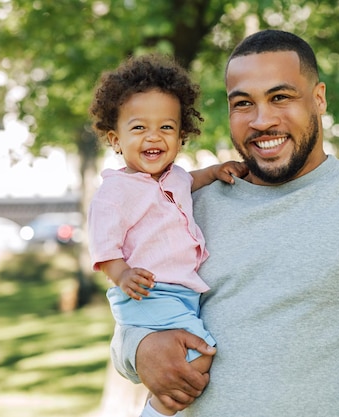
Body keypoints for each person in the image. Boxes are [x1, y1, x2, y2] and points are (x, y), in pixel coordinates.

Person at [111, 30, 339, 416]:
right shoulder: (188, 207)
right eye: (243, 103)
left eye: (280, 97)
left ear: (319, 98)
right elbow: (133, 319)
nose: (262, 120)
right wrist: (138, 349)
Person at [87, 54, 247, 417]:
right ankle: (157, 409)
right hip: (148, 291)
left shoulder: (176, 176)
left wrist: (219, 169)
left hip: (180, 293)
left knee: (189, 351)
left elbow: (195, 179)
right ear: (116, 139)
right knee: (200, 351)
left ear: (181, 135)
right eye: (139, 128)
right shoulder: (116, 192)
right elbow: (103, 246)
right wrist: (123, 274)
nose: (154, 137)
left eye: (167, 128)